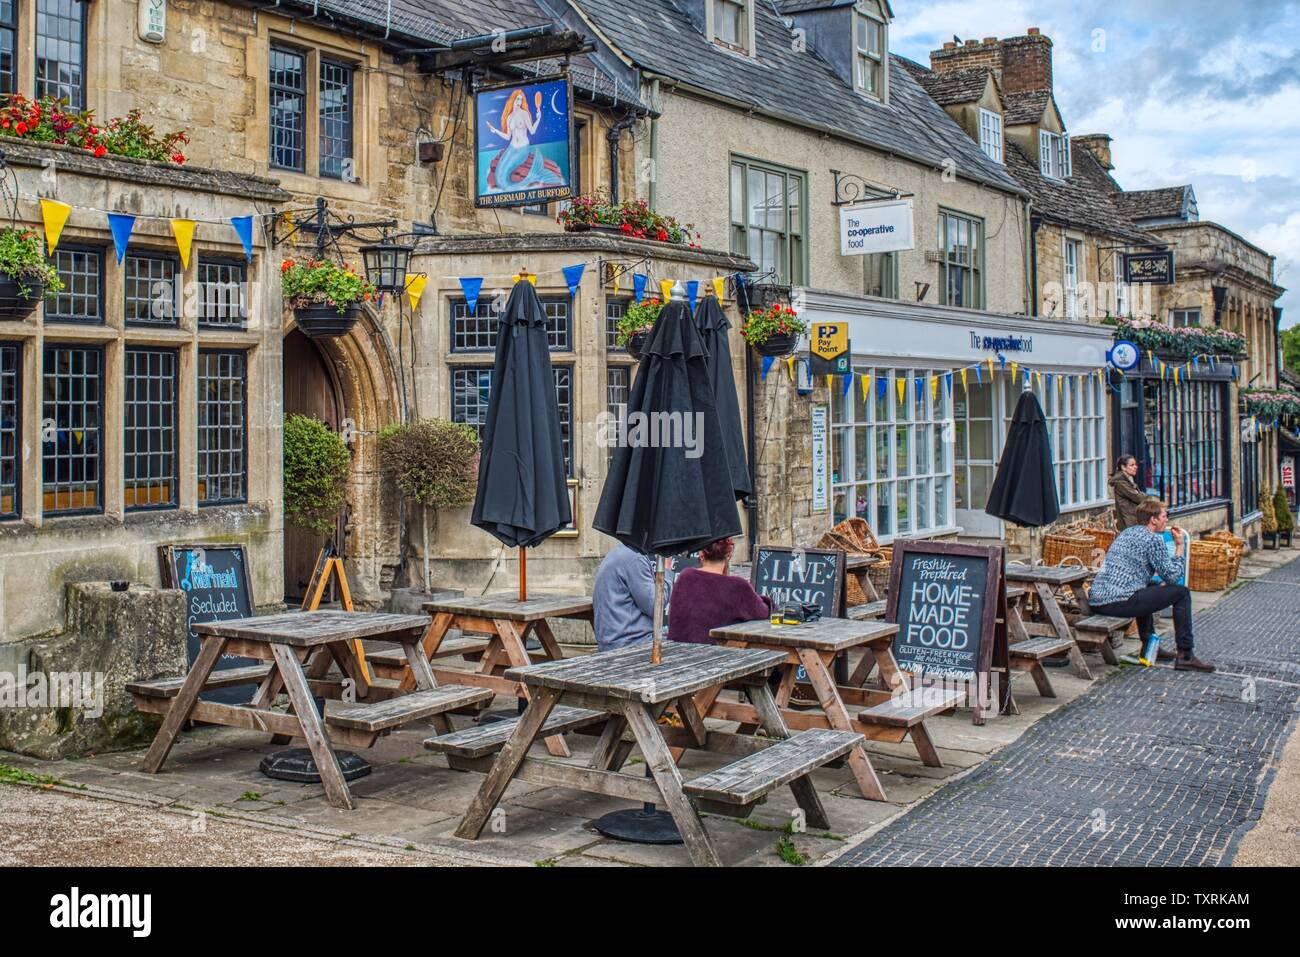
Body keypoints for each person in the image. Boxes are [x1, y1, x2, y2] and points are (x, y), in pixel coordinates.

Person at [1089, 497, 1214, 672]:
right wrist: (1180, 547)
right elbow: (1172, 576)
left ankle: (1150, 647)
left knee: (1151, 587)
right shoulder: (1153, 540)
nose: (1167, 519)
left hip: (1098, 600)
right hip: (1118, 601)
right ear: (1153, 520)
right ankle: (1185, 655)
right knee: (1182, 593)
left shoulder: (1127, 533)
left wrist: (1156, 583)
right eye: (1164, 515)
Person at [667, 537, 773, 645]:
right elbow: (764, 611)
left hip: (677, 651)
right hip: (717, 655)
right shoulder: (738, 586)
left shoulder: (685, 576)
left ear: (701, 553)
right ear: (729, 554)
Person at [592, 544, 673, 652]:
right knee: (685, 643)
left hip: (612, 641)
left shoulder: (617, 553)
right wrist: (666, 569)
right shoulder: (634, 557)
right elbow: (655, 606)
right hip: (630, 643)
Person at [1109, 454, 1146, 531]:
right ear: (1123, 467)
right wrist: (1140, 494)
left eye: (1135, 464)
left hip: (1133, 518)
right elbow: (1139, 498)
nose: (1135, 467)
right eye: (1132, 465)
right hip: (1128, 520)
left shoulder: (1128, 480)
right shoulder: (1121, 483)